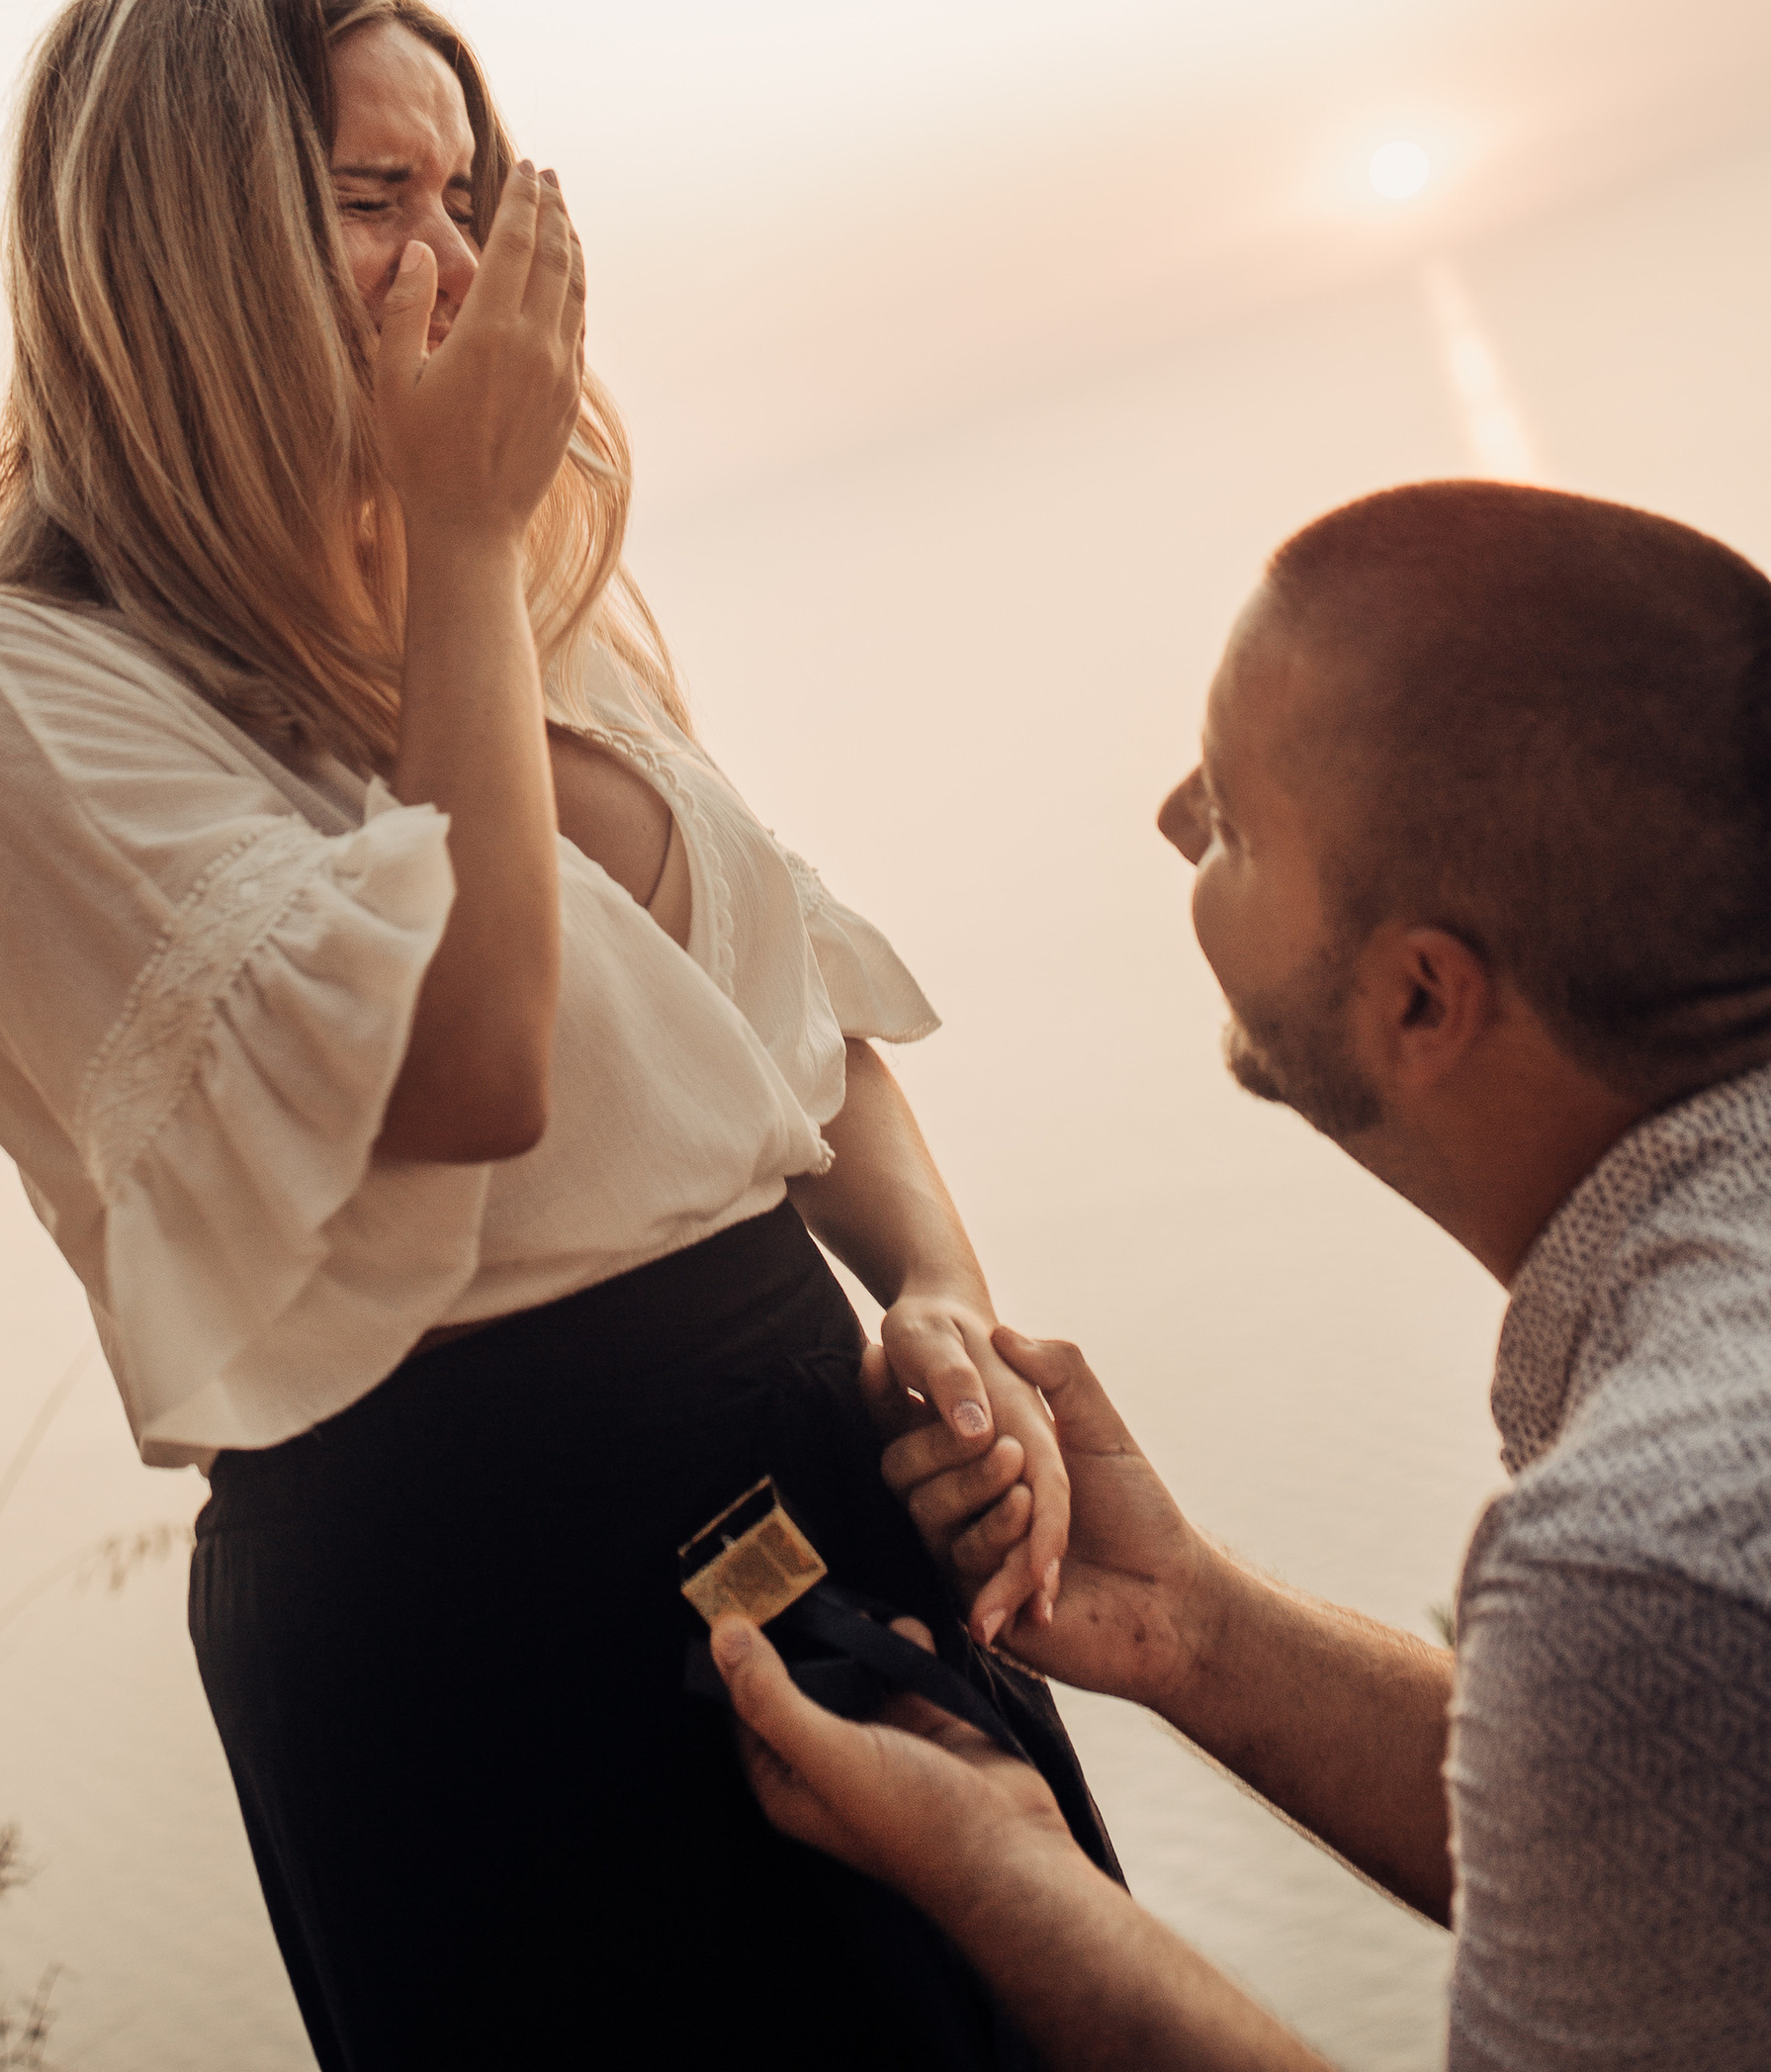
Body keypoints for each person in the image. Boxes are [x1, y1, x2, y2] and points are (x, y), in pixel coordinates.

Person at [0, 0, 1117, 2072]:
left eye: (467, 192)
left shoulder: (538, 618)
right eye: (369, 195)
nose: (444, 253)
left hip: (818, 1461)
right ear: (181, 238)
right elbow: (470, 1070)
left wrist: (940, 1311)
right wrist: (452, 532)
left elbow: (801, 1036)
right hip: (476, 1605)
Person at [712, 478, 1771, 2069]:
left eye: (1238, 820)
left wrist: (1009, 1877)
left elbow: (1657, 1666)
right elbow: (1695, 1826)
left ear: (1424, 999)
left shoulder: (1637, 1557)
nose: (1170, 820)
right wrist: (1197, 1629)